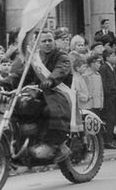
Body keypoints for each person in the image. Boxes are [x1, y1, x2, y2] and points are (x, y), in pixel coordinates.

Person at [5, 31, 73, 162]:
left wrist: (51, 80)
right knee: (22, 107)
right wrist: (8, 80)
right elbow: (24, 74)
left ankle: (58, 145)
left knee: (49, 111)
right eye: (44, 41)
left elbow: (61, 69)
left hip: (58, 94)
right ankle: (25, 142)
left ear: (54, 41)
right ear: (38, 43)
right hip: (41, 93)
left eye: (49, 40)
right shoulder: (36, 58)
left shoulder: (61, 56)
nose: (47, 43)